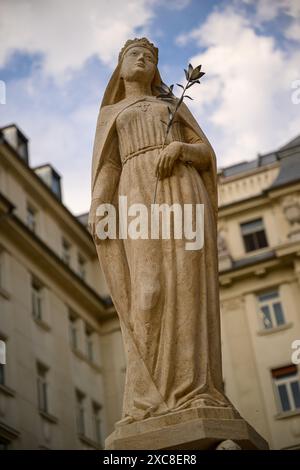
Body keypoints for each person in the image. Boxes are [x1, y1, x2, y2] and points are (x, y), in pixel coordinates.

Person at [88, 37, 229, 425]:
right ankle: (147, 397)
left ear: (156, 69)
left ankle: (193, 389)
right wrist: (100, 205)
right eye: (135, 54)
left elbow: (206, 153)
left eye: (149, 56)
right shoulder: (112, 112)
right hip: (134, 193)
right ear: (121, 66)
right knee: (146, 291)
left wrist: (180, 149)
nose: (143, 58)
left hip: (182, 189)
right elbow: (109, 165)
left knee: (186, 287)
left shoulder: (172, 104)